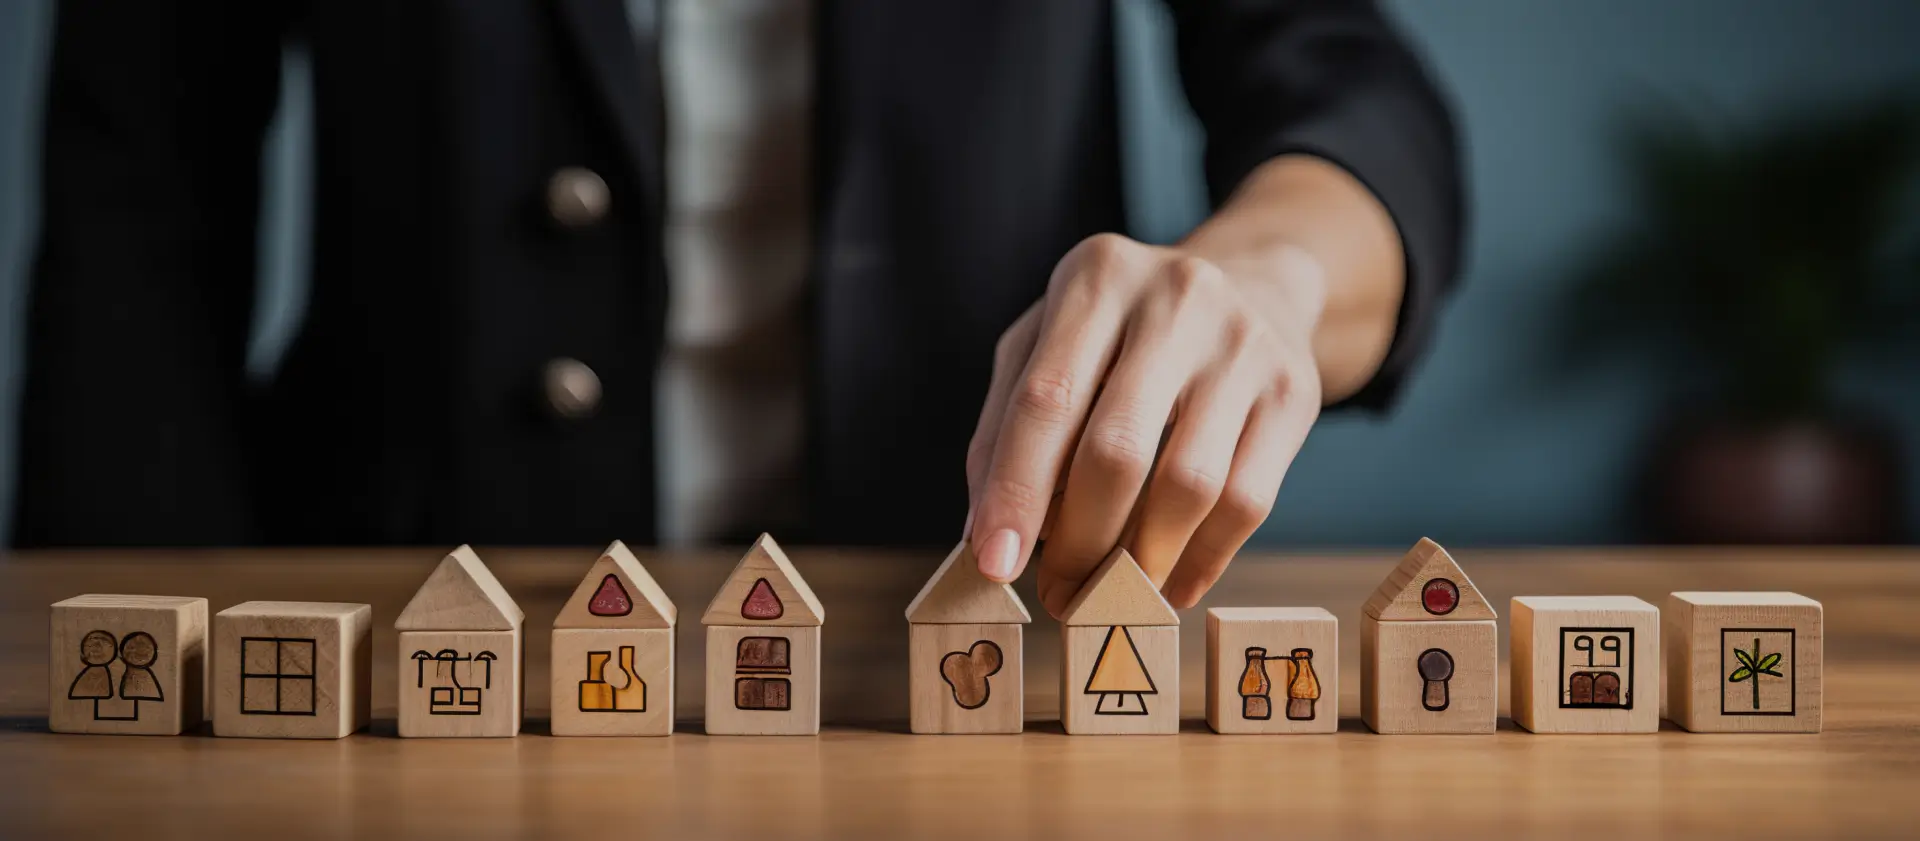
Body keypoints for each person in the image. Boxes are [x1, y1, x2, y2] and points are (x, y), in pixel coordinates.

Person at [14, 2, 1463, 616]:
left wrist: (1274, 281)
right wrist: (116, 669)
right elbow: (135, 189)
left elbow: (1346, 83)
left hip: (951, 643)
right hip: (404, 614)